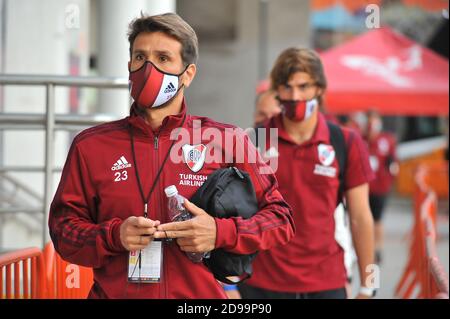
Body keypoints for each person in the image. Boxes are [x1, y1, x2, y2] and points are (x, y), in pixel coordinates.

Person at [48, 13, 295, 299]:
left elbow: (281, 219)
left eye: (163, 58)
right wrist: (114, 236)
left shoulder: (229, 141)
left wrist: (219, 232)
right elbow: (63, 231)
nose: (149, 67)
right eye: (140, 57)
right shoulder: (90, 146)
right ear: (129, 66)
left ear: (187, 74)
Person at [239, 48, 376, 299]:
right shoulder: (253, 140)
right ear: (277, 91)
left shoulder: (345, 141)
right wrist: (228, 285)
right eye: (287, 87)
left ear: (319, 89)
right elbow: (232, 212)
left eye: (304, 86)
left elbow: (361, 218)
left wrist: (369, 285)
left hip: (326, 282)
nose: (295, 96)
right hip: (262, 284)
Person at [365, 110, 398, 264]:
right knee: (366, 218)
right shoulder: (360, 138)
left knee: (377, 219)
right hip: (364, 188)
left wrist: (389, 181)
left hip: (380, 187)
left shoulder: (386, 140)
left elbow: (392, 163)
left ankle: (378, 248)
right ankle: (368, 248)